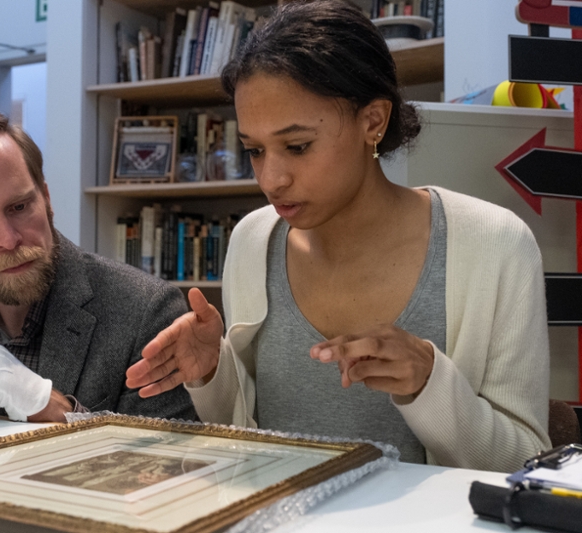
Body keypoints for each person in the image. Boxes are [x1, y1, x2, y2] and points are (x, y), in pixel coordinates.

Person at [126, 0, 551, 472]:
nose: (272, 180)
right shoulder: (253, 240)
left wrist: (430, 384)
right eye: (254, 150)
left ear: (373, 121)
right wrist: (211, 373)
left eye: (297, 146)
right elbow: (249, 432)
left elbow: (526, 461)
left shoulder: (496, 245)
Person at [0, 110, 196, 423]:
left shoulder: (145, 310)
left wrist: (64, 415)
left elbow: (169, 464)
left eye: (20, 207)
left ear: (46, 199)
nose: (8, 240)